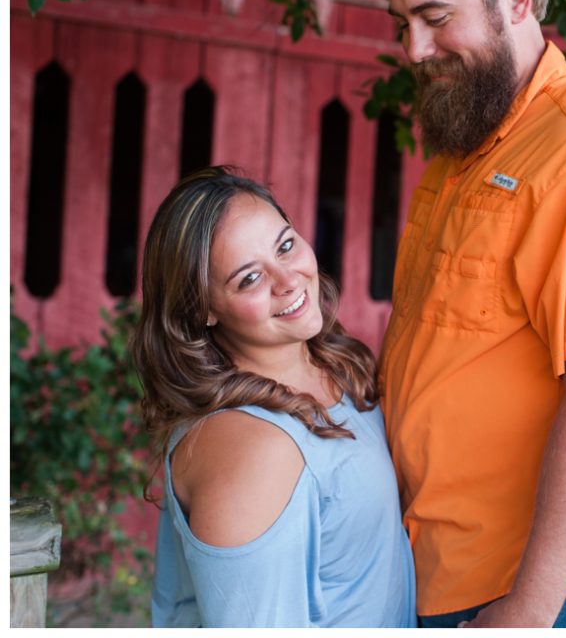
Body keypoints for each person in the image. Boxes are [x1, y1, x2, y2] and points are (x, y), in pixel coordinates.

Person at [377, 0, 566, 628]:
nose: (413, 50)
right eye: (402, 24)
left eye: (435, 18)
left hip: (526, 593)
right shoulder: (464, 146)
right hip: (432, 571)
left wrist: (528, 612)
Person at [133, 167, 416, 628]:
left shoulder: (329, 367)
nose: (288, 280)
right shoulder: (253, 451)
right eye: (248, 279)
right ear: (203, 309)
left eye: (285, 245)